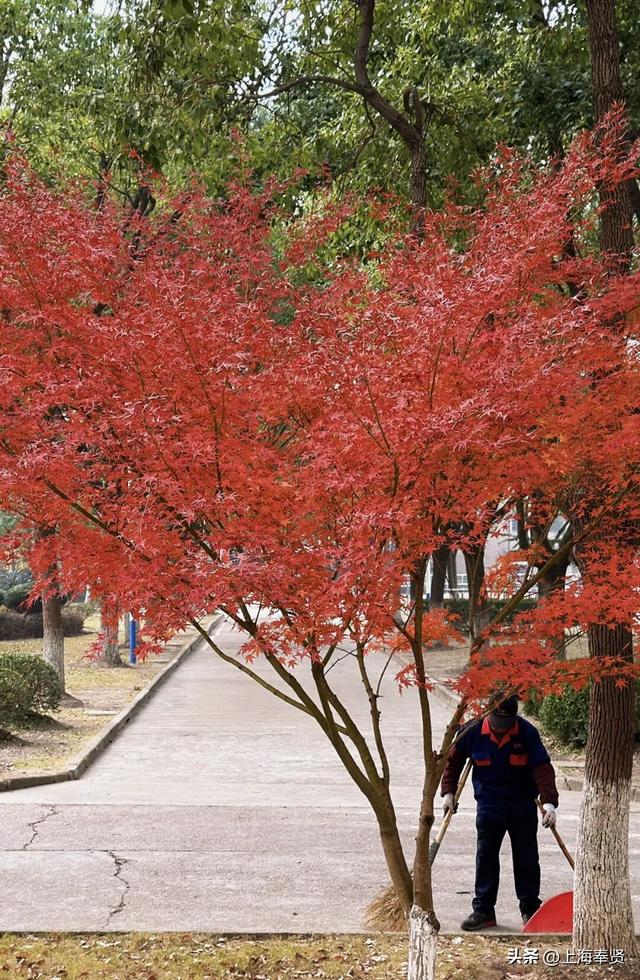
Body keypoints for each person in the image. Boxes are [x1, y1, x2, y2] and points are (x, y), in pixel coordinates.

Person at [440, 694, 559, 931]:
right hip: (489, 804)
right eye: (497, 722)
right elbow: (453, 761)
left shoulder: (527, 732)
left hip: (522, 804)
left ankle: (530, 909)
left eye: (506, 723)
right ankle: (484, 910)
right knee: (486, 857)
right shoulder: (471, 731)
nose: (501, 728)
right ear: (488, 713)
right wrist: (448, 793)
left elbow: (542, 767)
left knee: (526, 859)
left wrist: (549, 804)